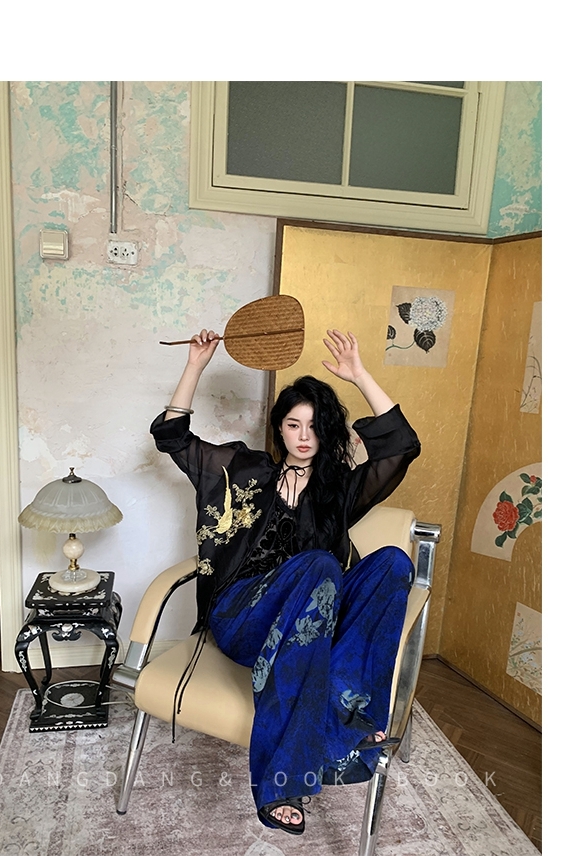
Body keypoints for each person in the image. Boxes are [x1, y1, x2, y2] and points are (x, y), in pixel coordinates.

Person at [150, 327, 421, 835]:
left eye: (314, 427)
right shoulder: (243, 471)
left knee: (392, 563)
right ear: (279, 429)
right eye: (293, 424)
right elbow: (173, 438)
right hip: (243, 618)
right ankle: (283, 782)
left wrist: (360, 375)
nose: (303, 436)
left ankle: (346, 715)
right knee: (319, 565)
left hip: (309, 627)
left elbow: (401, 447)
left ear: (327, 433)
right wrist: (195, 365)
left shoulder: (338, 492)